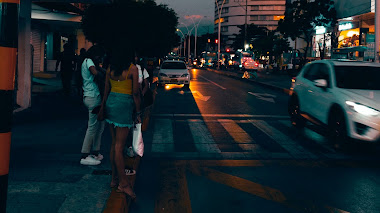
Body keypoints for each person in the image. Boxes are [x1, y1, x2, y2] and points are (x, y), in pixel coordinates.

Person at [98, 57, 141, 200]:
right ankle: (123, 183)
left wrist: (103, 106)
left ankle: (114, 179)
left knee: (114, 143)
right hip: (124, 105)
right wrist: (138, 112)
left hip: (111, 103)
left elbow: (106, 89)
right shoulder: (132, 69)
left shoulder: (111, 67)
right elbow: (135, 93)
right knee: (119, 146)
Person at [79, 45, 106, 166]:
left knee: (99, 126)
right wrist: (103, 73)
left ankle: (95, 152)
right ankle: (85, 154)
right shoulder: (88, 61)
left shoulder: (86, 61)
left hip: (91, 96)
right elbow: (94, 72)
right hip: (92, 96)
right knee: (92, 126)